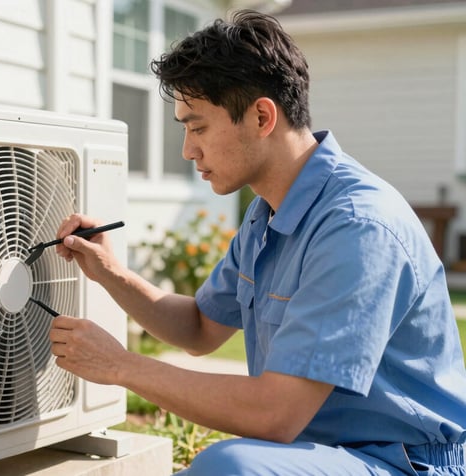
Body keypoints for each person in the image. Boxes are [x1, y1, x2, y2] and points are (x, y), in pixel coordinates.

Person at [48, 9, 466, 475]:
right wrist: (110, 272)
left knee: (230, 467)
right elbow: (200, 329)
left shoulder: (357, 226)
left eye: (198, 126)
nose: (188, 150)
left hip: (406, 462)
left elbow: (276, 414)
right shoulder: (267, 214)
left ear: (262, 116)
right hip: (328, 453)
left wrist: (120, 366)